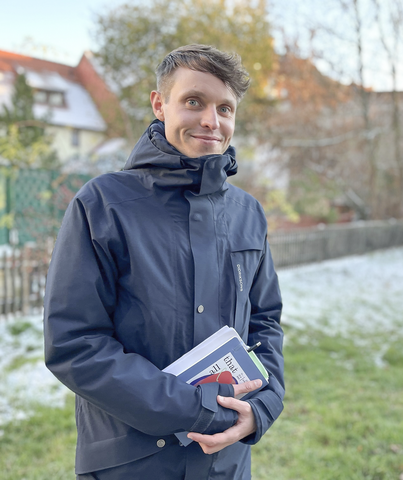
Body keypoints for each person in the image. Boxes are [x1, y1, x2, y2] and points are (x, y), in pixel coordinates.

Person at [43, 44, 285, 479]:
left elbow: (265, 321)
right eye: (194, 102)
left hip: (225, 464)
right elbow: (75, 343)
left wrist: (263, 407)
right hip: (131, 463)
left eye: (225, 108)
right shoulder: (103, 204)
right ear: (160, 104)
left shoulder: (248, 213)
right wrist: (196, 408)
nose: (211, 121)